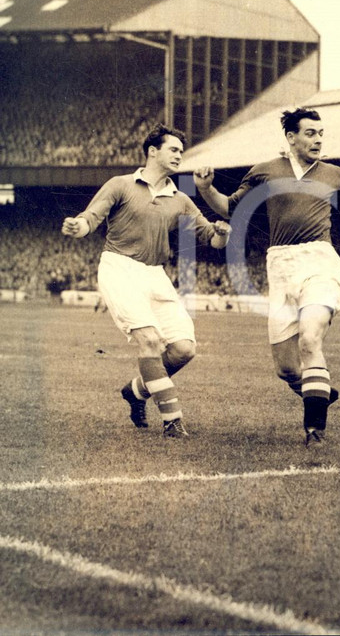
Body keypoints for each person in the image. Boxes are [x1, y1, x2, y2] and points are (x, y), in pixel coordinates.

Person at [193, 107, 340, 447]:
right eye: (310, 133)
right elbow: (229, 208)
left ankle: (314, 430)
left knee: (310, 339)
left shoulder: (335, 175)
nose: (318, 139)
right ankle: (318, 392)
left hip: (320, 261)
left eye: (321, 134)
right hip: (279, 265)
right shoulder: (264, 172)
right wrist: (204, 189)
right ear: (291, 138)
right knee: (287, 368)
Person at [61, 126, 231, 438]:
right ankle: (172, 421)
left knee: (183, 349)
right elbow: (91, 218)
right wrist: (79, 227)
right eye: (174, 149)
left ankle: (136, 392)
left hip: (156, 274)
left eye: (182, 151)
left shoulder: (180, 199)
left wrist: (222, 233)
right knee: (151, 341)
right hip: (120, 268)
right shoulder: (121, 185)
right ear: (152, 151)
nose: (180, 155)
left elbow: (211, 239)